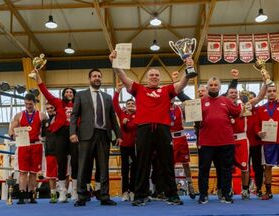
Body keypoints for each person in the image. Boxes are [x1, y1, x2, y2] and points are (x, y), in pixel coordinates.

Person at [110, 50, 192, 206]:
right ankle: (140, 195)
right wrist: (115, 63)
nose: (154, 77)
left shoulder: (166, 90)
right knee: (142, 163)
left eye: (157, 75)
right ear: (147, 78)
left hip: (163, 130)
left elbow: (182, 84)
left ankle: (172, 195)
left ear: (160, 78)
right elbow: (123, 77)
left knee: (167, 163)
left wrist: (188, 70)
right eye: (151, 75)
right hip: (144, 130)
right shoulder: (139, 89)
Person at [70, 68, 121, 207]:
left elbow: (113, 118)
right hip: (85, 135)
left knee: (103, 167)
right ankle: (82, 196)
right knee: (83, 166)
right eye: (94, 76)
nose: (97, 78)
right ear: (89, 79)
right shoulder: (80, 95)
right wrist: (72, 132)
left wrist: (119, 135)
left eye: (99, 76)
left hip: (104, 135)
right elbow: (74, 115)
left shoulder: (107, 97)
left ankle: (104, 196)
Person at [33, 69, 78, 202]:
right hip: (61, 133)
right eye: (66, 92)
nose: (69, 93)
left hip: (75, 133)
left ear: (74, 95)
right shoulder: (58, 103)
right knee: (61, 162)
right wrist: (38, 78)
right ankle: (62, 192)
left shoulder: (78, 104)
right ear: (64, 94)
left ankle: (74, 191)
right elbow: (46, 93)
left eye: (71, 92)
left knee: (75, 162)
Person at [198, 77, 241, 204]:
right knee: (203, 169)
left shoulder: (226, 101)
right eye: (210, 84)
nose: (213, 86)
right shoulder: (200, 102)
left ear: (219, 87)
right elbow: (191, 115)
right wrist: (186, 109)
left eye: (216, 84)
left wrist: (240, 102)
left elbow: (237, 112)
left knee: (226, 170)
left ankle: (226, 194)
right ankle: (203, 195)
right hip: (206, 142)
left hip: (226, 141)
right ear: (207, 87)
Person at [226, 83, 266, 200]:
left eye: (235, 92)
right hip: (227, 140)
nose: (233, 94)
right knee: (227, 168)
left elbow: (259, 97)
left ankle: (245, 190)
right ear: (227, 95)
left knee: (245, 168)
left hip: (242, 139)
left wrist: (265, 81)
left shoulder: (244, 105)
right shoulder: (222, 106)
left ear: (237, 95)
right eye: (231, 93)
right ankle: (227, 189)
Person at [9, 93, 47, 204]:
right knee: (23, 172)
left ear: (35, 103)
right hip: (23, 145)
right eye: (26, 104)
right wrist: (13, 135)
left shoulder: (42, 115)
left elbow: (47, 130)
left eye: (30, 104)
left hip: (36, 145)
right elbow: (11, 130)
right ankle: (21, 195)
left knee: (34, 172)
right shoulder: (18, 115)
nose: (28, 106)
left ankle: (31, 195)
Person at [113, 82, 137, 202]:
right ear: (126, 106)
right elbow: (115, 104)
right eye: (129, 103)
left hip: (135, 146)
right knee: (124, 169)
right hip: (124, 146)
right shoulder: (121, 113)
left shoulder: (139, 114)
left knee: (134, 169)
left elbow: (133, 127)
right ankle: (124, 192)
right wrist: (117, 91)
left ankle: (132, 191)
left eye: (133, 103)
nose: (131, 105)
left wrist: (127, 123)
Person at [41, 102, 66, 203]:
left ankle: (64, 194)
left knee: (64, 173)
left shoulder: (61, 119)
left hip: (62, 149)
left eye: (51, 107)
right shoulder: (44, 122)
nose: (50, 110)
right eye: (47, 108)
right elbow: (43, 135)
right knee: (51, 175)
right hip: (50, 150)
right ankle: (53, 195)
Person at [246, 91, 264, 197]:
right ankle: (246, 189)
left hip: (257, 143)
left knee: (258, 168)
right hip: (244, 144)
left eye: (253, 99)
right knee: (245, 168)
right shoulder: (240, 111)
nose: (250, 101)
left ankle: (259, 189)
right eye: (248, 99)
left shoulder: (259, 110)